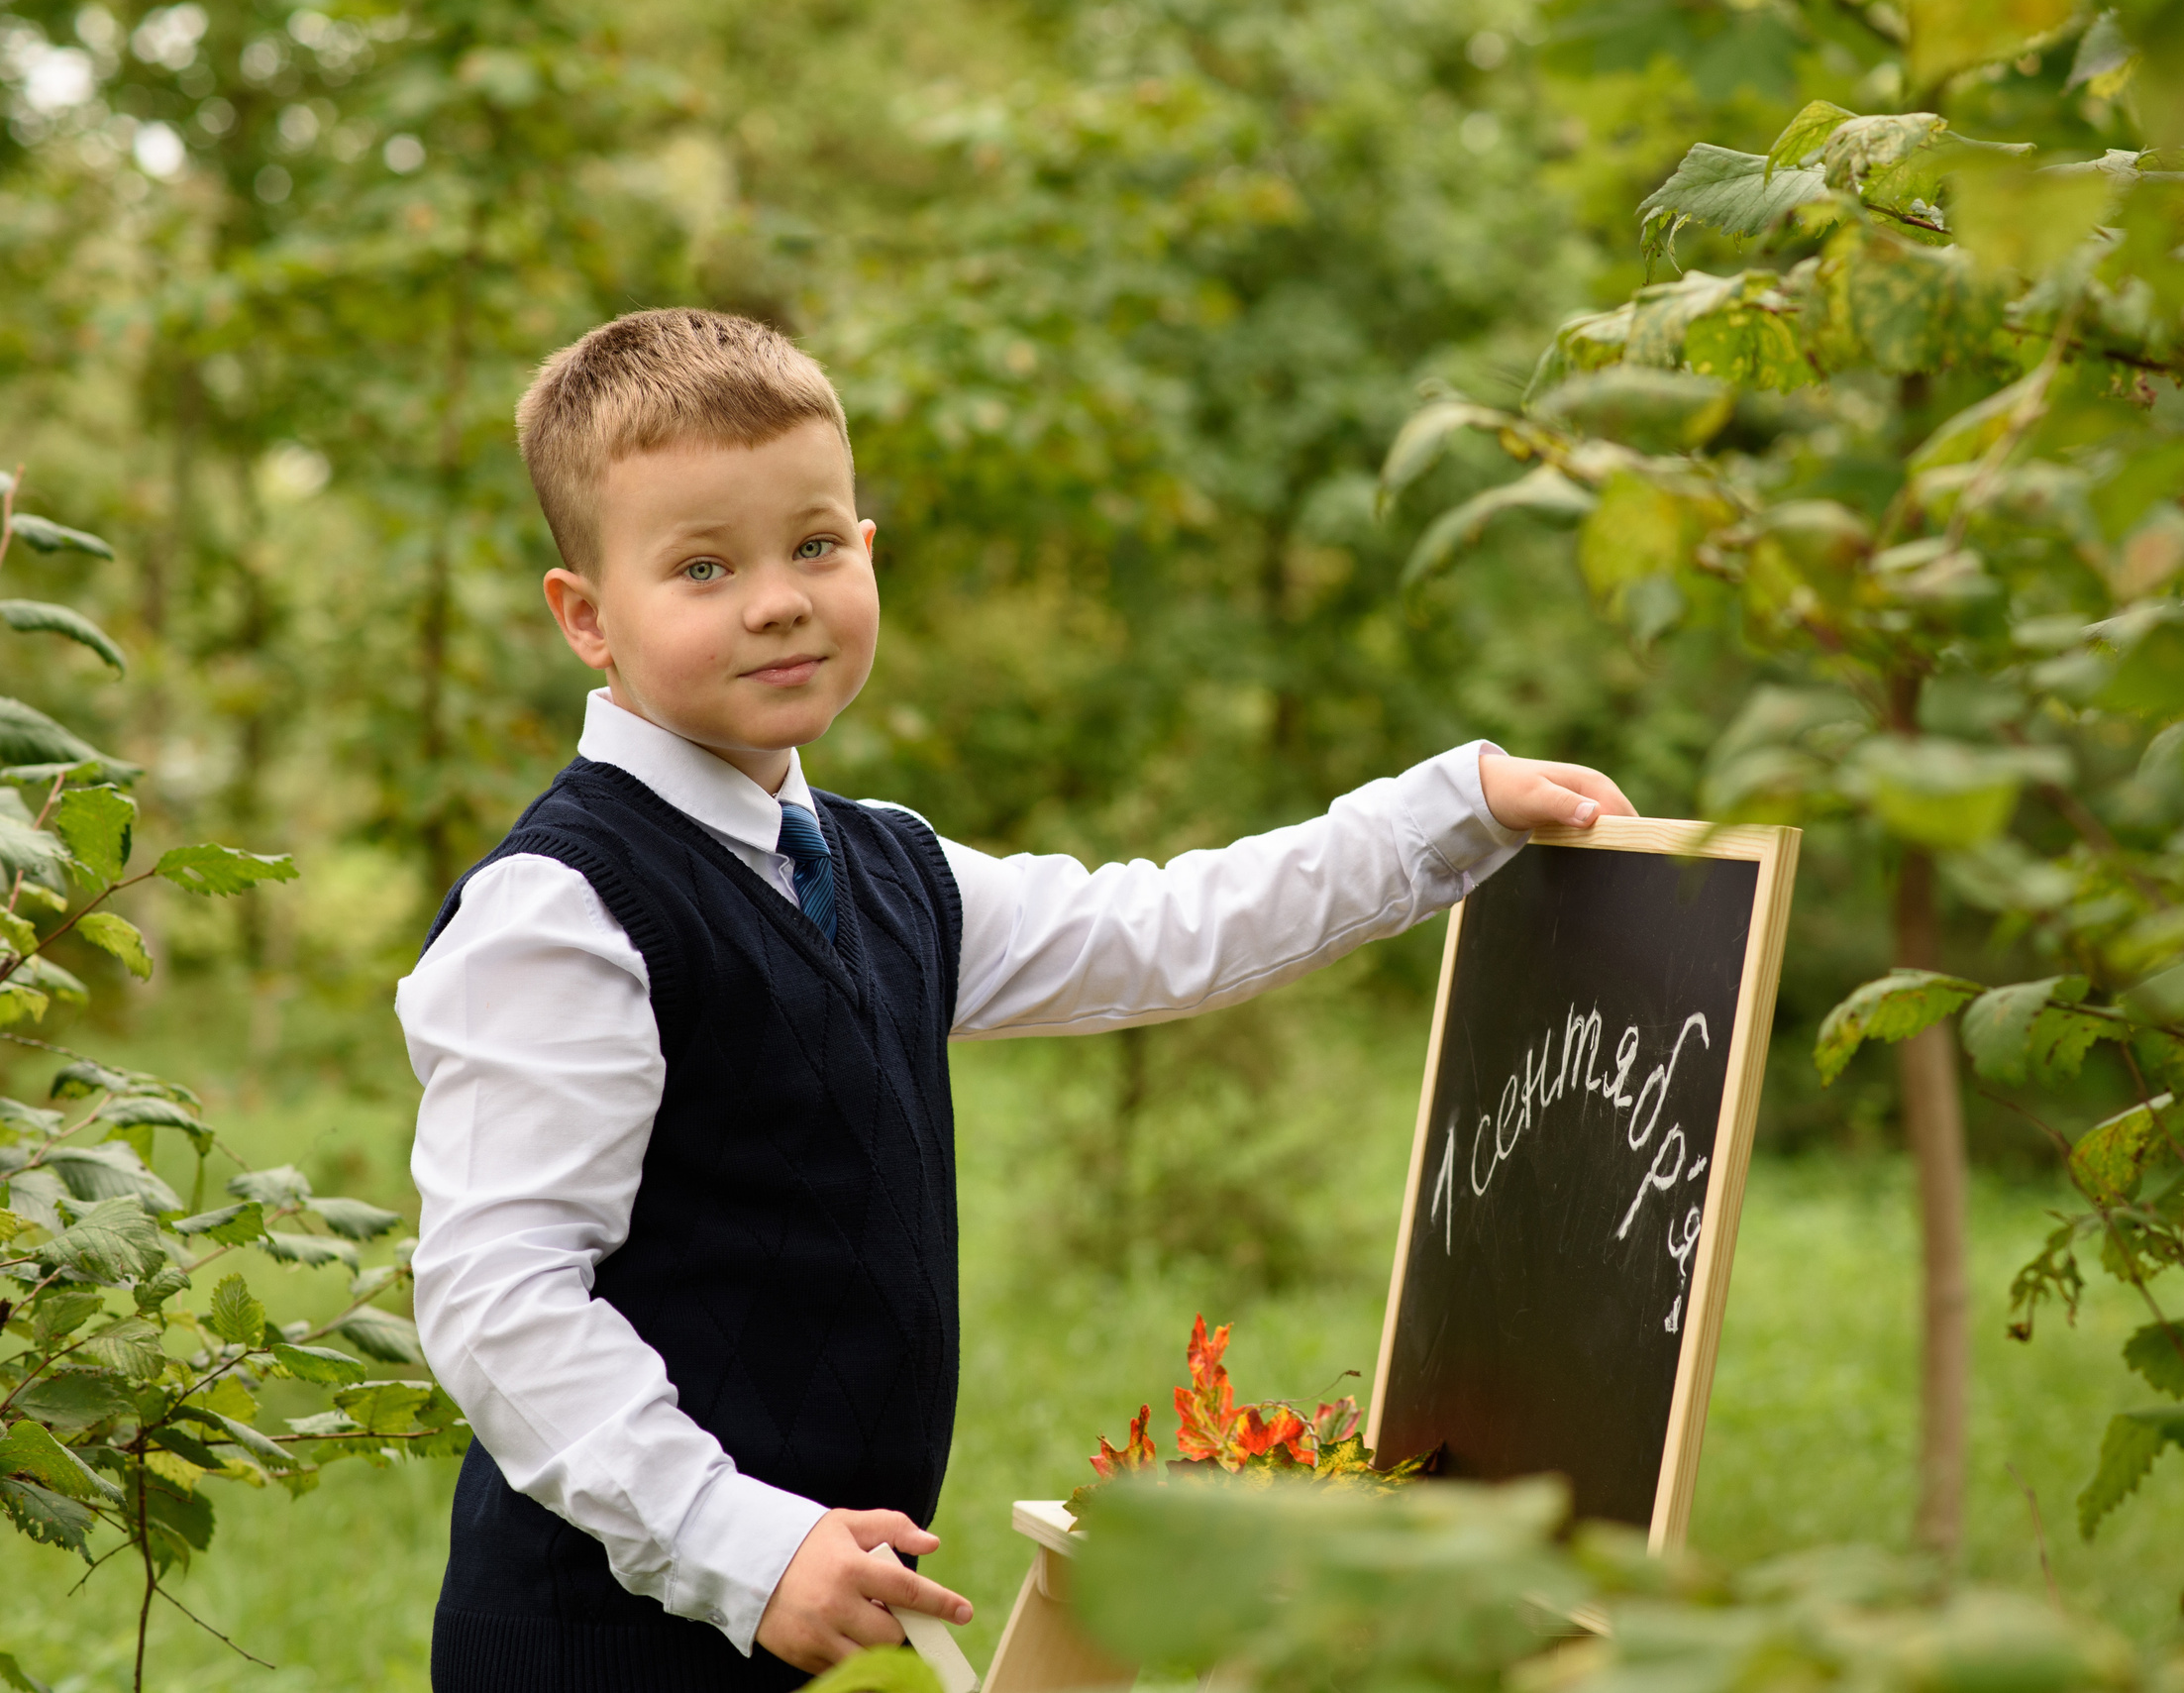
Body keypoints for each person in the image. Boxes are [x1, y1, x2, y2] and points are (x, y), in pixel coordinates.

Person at [398, 307, 1637, 1692]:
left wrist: (1447, 811)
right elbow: (497, 1295)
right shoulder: (566, 908)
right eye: (702, 566)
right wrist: (739, 1540)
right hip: (602, 1647)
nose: (776, 599)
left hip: (828, 1619)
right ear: (587, 617)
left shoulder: (890, 870)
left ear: (867, 551)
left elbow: (1158, 927)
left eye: (814, 544)